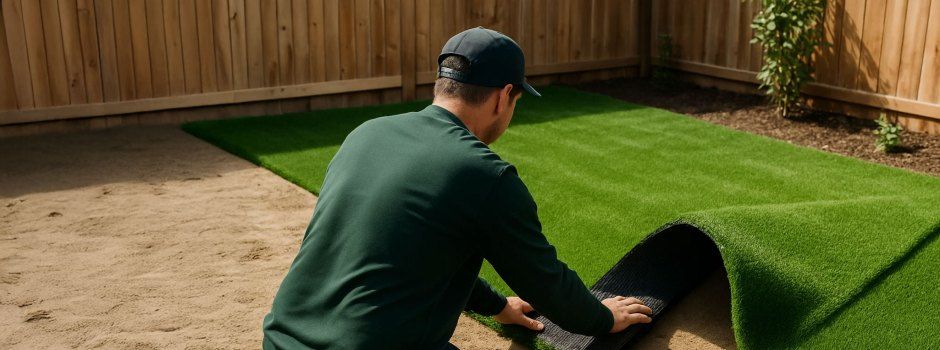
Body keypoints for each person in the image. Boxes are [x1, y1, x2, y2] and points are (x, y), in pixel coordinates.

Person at [262, 27, 652, 350]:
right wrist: (604, 317)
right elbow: (545, 283)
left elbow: (410, 248)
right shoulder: (485, 175)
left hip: (282, 339)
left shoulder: (366, 134)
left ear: (442, 84)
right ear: (503, 97)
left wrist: (496, 305)